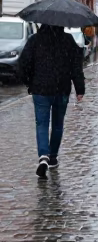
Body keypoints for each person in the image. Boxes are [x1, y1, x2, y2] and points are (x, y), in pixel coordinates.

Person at [17, 23, 85, 177]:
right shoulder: (68, 40)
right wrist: (80, 88)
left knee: (41, 124)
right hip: (61, 89)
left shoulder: (35, 40)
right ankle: (52, 157)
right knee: (57, 124)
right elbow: (76, 66)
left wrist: (29, 82)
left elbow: (24, 64)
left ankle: (43, 156)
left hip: (40, 89)